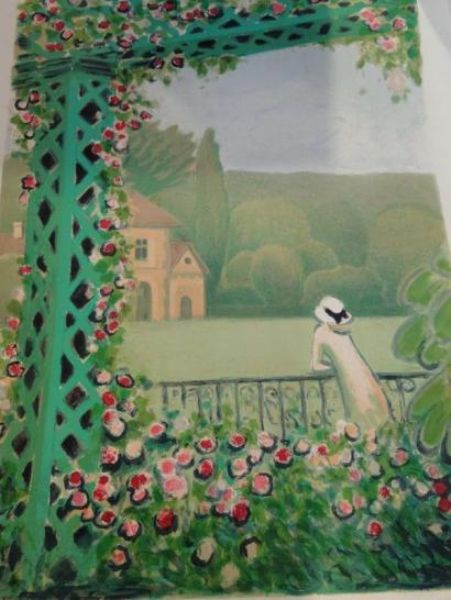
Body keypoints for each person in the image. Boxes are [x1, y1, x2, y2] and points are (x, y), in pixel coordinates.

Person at [311, 296, 389, 429]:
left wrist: (340, 368)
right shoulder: (321, 332)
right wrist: (337, 369)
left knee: (378, 410)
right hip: (350, 380)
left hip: (364, 375)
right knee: (362, 416)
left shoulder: (343, 331)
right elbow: (315, 366)